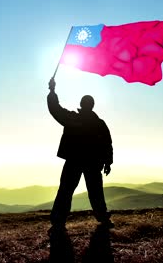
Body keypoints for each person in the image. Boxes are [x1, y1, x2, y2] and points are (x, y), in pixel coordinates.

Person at [47, 78, 114, 233]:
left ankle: (58, 220)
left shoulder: (74, 119)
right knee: (94, 191)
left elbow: (55, 109)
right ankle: (103, 218)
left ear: (82, 104)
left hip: (75, 160)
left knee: (66, 190)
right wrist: (108, 162)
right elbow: (107, 144)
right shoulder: (99, 123)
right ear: (91, 105)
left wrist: (52, 91)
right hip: (91, 162)